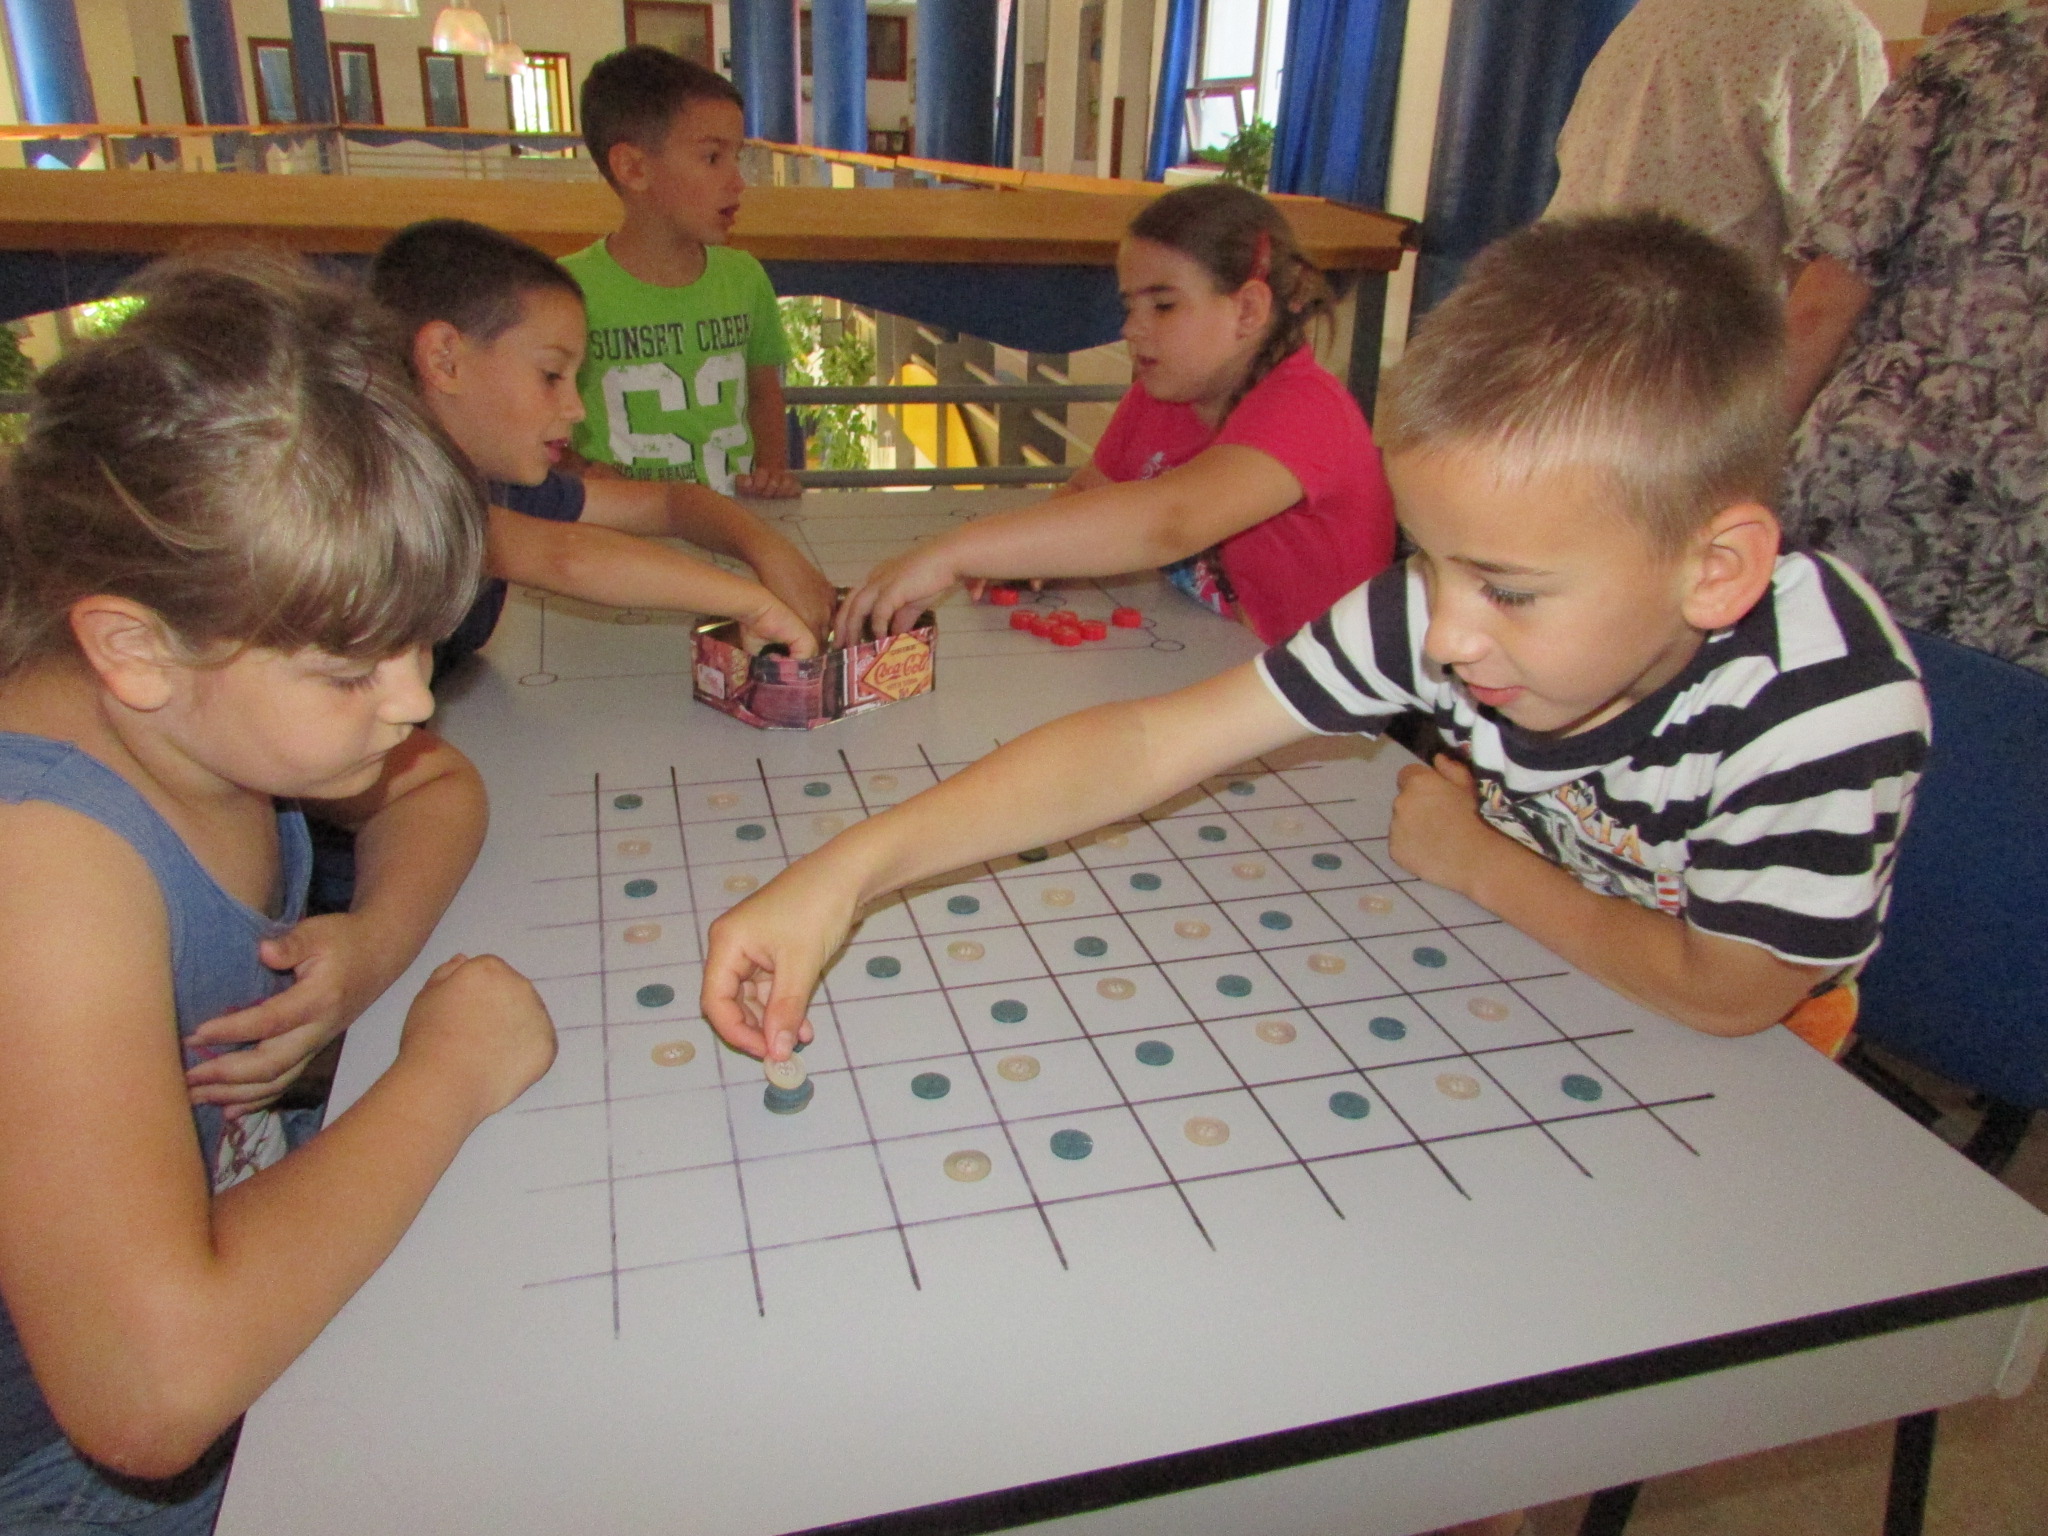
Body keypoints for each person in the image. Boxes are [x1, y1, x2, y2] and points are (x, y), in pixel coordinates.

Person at [703, 213, 1928, 1085]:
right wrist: (846, 871)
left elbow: (1725, 994)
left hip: (1755, 1061)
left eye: (1506, 590)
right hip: (1531, 973)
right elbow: (1145, 743)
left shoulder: (1819, 706)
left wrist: (1477, 863)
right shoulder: (1449, 610)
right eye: (1429, 560)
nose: (1442, 633)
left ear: (1712, 570)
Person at [0, 255, 555, 1529]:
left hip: (225, 1228)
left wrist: (367, 948)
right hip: (59, 1457)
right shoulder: (46, 877)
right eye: (352, 673)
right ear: (133, 647)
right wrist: (444, 1073)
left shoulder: (187, 712)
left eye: (419, 644)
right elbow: (149, 1397)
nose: (411, 699)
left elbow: (436, 787)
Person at [837, 182, 1397, 645]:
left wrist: (953, 552)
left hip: (1327, 712)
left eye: (1164, 304)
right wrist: (1019, 556)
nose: (1132, 328)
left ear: (1248, 309)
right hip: (1212, 663)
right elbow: (1088, 495)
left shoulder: (1307, 409)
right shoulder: (1163, 393)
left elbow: (1169, 522)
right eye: (1129, 306)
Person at [367, 219, 835, 675]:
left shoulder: (501, 482)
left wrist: (768, 549)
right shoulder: (390, 491)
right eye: (551, 375)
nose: (576, 409)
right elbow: (566, 558)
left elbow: (671, 503)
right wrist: (753, 604)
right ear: (445, 359)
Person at [1779, 4, 2048, 676]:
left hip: (1878, 476)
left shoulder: (1979, 53)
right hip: (2030, 534)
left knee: (1816, 704)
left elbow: (1822, 303)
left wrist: (1723, 475)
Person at [564, 47, 801, 499]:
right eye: (712, 158)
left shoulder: (744, 277)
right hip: (618, 529)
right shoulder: (566, 290)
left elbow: (763, 392)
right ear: (634, 168)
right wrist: (582, 470)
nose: (738, 181)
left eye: (737, 158)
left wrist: (771, 471)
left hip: (732, 521)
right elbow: (538, 422)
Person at [1546, 0, 1887, 290]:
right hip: (1679, 331)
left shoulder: (1656, 13)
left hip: (1560, 316)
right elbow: (1835, 267)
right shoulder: (1828, 33)